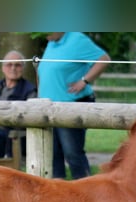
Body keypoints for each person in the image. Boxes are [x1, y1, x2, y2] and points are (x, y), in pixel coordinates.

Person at [37, 33, 110, 179]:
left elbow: (103, 59)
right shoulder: (51, 43)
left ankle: (86, 191)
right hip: (48, 108)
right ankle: (57, 191)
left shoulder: (76, 39)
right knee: (53, 153)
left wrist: (84, 80)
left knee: (72, 153)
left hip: (71, 106)